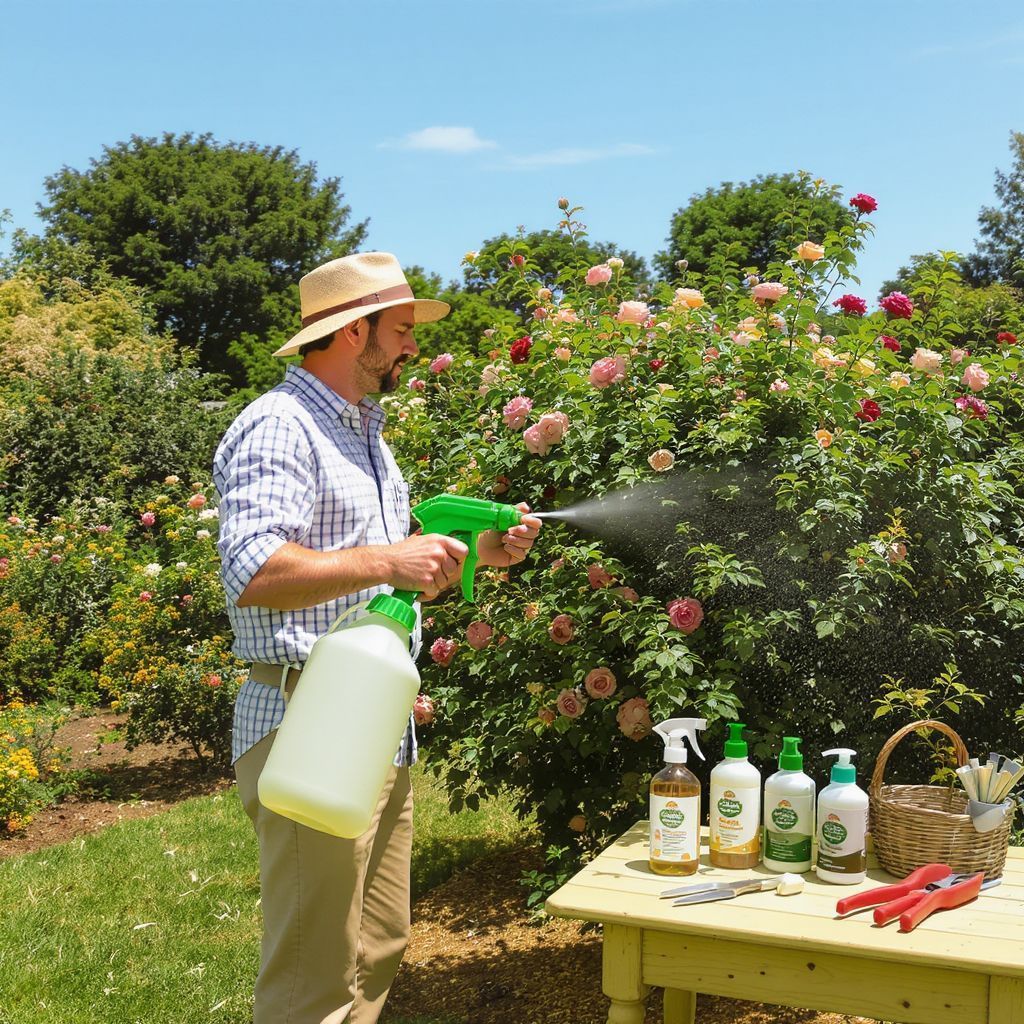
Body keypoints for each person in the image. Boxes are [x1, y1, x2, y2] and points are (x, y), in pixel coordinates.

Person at [213, 251, 542, 1024]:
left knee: (379, 945)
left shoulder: (366, 433)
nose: (409, 346)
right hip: (307, 724)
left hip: (372, 723)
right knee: (313, 976)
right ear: (352, 331)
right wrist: (391, 556)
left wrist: (475, 555)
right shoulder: (279, 425)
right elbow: (254, 568)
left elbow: (376, 564)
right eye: (398, 330)